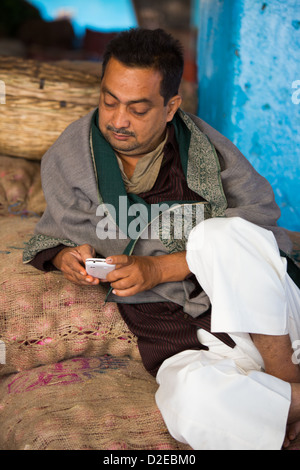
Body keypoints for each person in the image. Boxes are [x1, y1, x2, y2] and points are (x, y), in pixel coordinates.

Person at [23, 27, 300, 450]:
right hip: (177, 339)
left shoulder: (207, 151)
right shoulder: (70, 157)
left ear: (171, 107)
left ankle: (284, 382)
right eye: (109, 101)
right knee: (190, 405)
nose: (117, 120)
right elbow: (53, 234)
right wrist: (66, 257)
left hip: (264, 321)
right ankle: (289, 404)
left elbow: (259, 228)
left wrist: (161, 267)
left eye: (137, 109)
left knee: (220, 233)